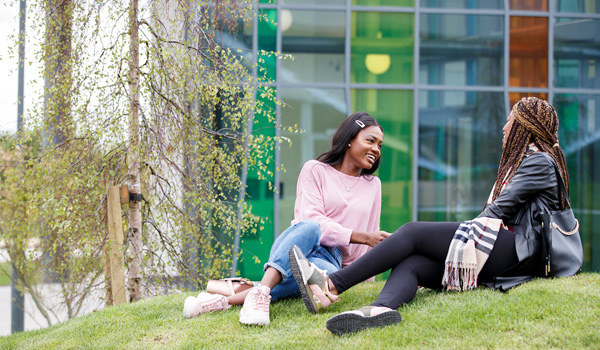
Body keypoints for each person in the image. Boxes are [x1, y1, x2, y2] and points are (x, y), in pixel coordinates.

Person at [290, 96, 572, 335]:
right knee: (414, 263)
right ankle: (379, 310)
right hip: (510, 251)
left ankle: (330, 284)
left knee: (413, 233)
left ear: (524, 127)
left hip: (521, 253)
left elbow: (497, 212)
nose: (504, 127)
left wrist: (454, 244)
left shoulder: (539, 162)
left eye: (510, 121)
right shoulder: (529, 162)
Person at [182, 111, 390, 325]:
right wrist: (362, 237)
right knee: (311, 227)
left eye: (380, 145)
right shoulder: (315, 170)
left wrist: (363, 281)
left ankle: (228, 299)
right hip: (301, 245)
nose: (376, 149)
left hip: (331, 261)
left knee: (326, 275)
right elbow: (314, 220)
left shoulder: (373, 185)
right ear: (349, 139)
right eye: (370, 141)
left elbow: (371, 232)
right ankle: (257, 291)